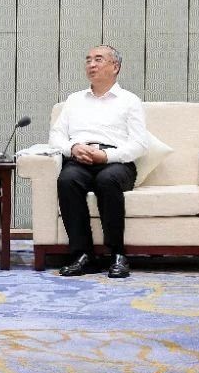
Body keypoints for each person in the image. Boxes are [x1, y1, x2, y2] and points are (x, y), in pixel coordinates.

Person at [50, 45, 150, 278]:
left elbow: (140, 144)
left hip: (117, 162)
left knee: (107, 180)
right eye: (88, 60)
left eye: (98, 59)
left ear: (115, 67)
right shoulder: (74, 100)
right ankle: (82, 255)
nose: (91, 65)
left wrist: (106, 156)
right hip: (80, 159)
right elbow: (56, 136)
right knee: (67, 180)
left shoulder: (129, 101)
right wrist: (72, 148)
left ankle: (117, 254)